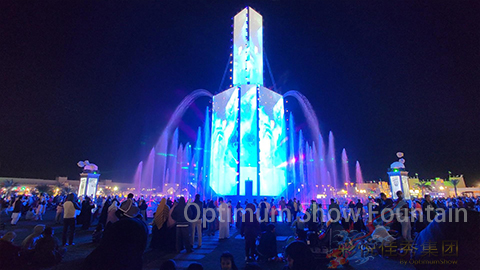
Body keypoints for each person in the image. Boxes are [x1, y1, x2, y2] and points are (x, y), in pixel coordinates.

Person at [83, 200, 148, 270]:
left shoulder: (121, 225)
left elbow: (107, 246)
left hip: (118, 261)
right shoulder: (142, 224)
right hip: (134, 261)